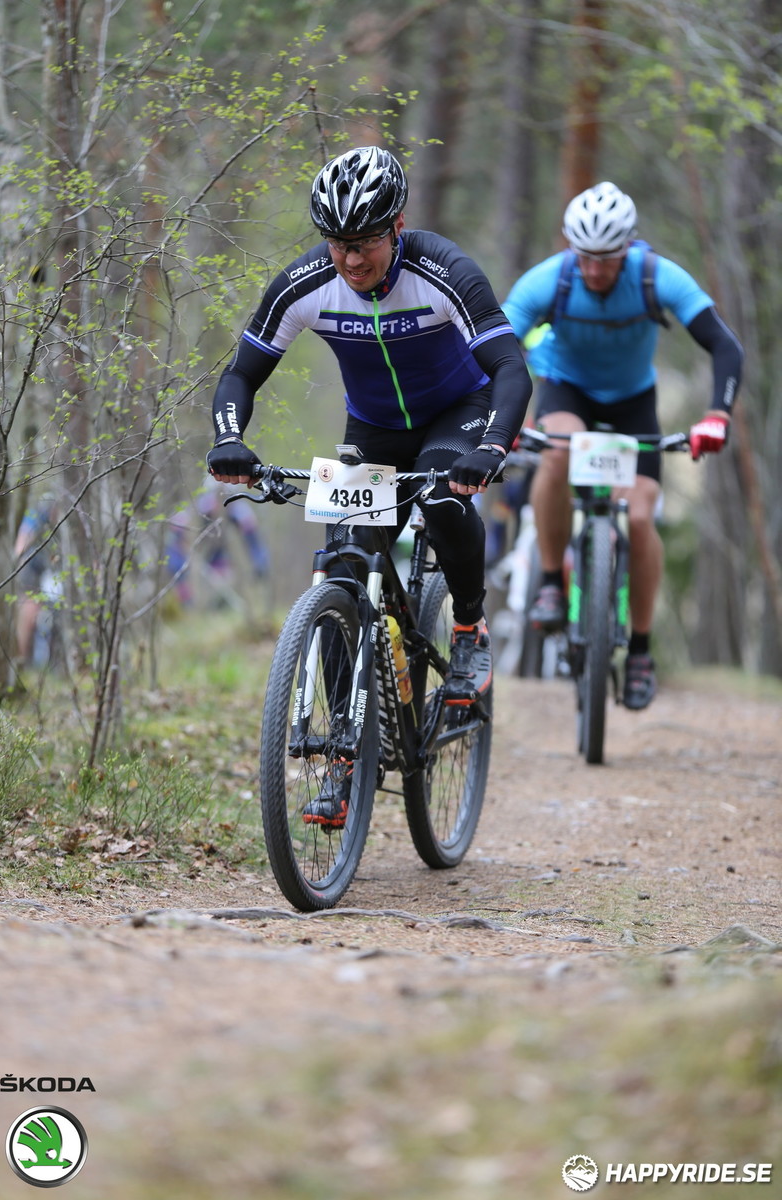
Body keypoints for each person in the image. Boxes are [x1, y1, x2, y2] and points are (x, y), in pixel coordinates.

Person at [206, 145, 532, 823]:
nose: (352, 261)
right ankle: (344, 761)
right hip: (375, 429)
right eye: (338, 245)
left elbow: (508, 367)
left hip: (457, 413)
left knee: (443, 496)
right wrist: (230, 439)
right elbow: (240, 374)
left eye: (365, 244)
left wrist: (492, 445)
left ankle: (468, 627)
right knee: (343, 570)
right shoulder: (304, 285)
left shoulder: (443, 271)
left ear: (397, 227)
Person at [501, 181, 743, 710]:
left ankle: (639, 651)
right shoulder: (550, 280)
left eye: (606, 259)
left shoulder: (657, 277)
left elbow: (724, 345)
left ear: (628, 249)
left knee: (639, 518)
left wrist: (717, 416)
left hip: (635, 401)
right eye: (584, 257)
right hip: (569, 390)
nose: (593, 270)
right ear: (570, 248)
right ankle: (549, 583)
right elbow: (496, 348)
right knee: (558, 451)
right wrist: (504, 420)